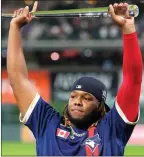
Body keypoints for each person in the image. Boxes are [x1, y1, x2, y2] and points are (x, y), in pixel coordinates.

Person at [7, 1, 143, 156]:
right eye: (73, 96)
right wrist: (15, 28)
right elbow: (18, 79)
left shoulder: (112, 129)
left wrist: (128, 28)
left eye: (87, 98)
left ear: (100, 106)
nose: (77, 101)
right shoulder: (47, 124)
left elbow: (132, 79)